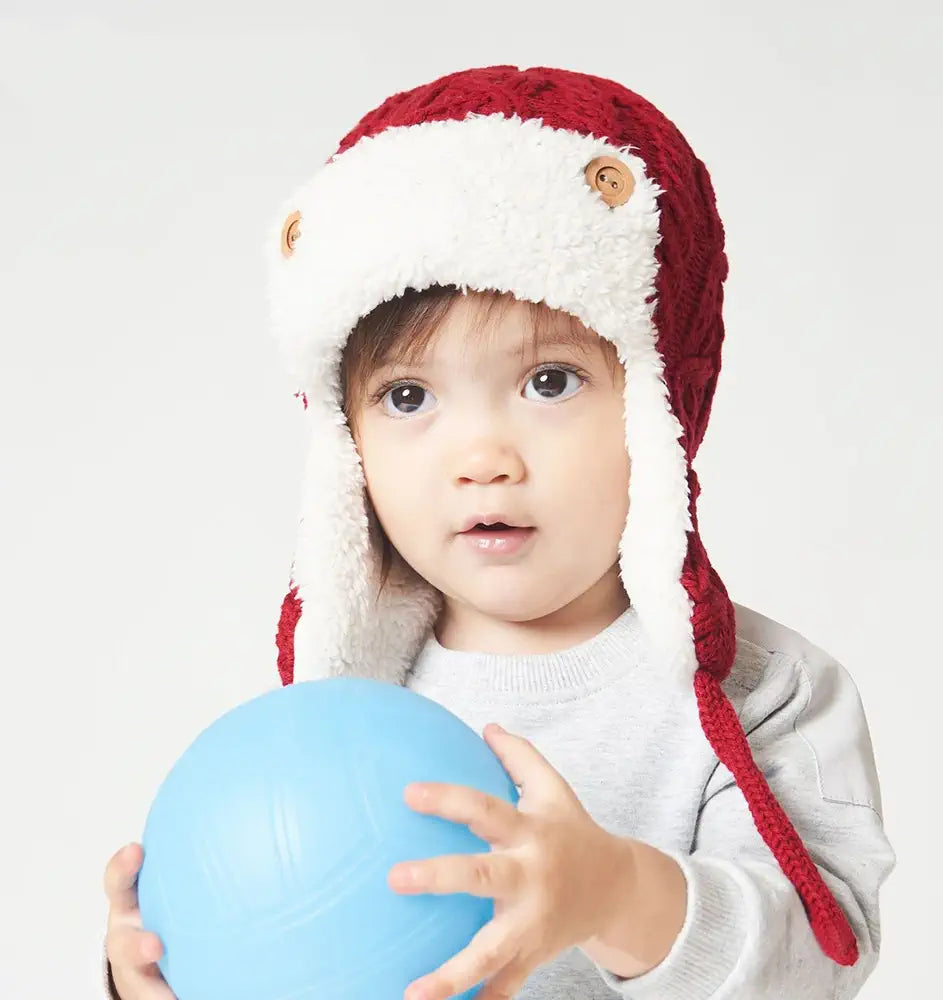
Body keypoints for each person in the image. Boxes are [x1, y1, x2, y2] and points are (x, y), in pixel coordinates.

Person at [102, 64, 896, 1000]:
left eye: (549, 382)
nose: (482, 457)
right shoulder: (346, 698)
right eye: (408, 397)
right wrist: (168, 970)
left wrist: (611, 889)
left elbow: (819, 962)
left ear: (659, 413)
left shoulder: (760, 697)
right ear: (346, 448)